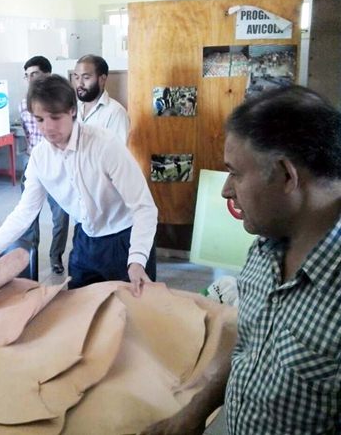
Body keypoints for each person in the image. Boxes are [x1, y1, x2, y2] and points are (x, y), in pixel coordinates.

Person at [142, 85, 341, 435]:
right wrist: (194, 412)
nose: (226, 190)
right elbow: (251, 343)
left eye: (235, 172)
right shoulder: (264, 248)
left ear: (286, 175)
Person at [0, 74, 158, 294]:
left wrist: (137, 259)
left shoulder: (105, 145)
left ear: (72, 110)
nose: (47, 127)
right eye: (39, 119)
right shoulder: (40, 157)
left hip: (125, 239)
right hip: (85, 239)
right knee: (78, 304)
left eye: (55, 117)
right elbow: (25, 211)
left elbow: (144, 208)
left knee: (132, 308)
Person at [18, 55, 69, 274]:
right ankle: (30, 257)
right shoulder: (23, 105)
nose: (30, 80)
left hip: (58, 166)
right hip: (33, 163)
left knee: (61, 216)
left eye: (35, 74)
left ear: (48, 74)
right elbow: (28, 134)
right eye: (27, 76)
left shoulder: (61, 104)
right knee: (28, 214)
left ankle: (56, 257)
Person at [72, 54, 130, 144]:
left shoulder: (115, 112)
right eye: (76, 77)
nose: (80, 83)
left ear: (102, 79)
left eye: (86, 78)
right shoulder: (73, 109)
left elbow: (118, 151)